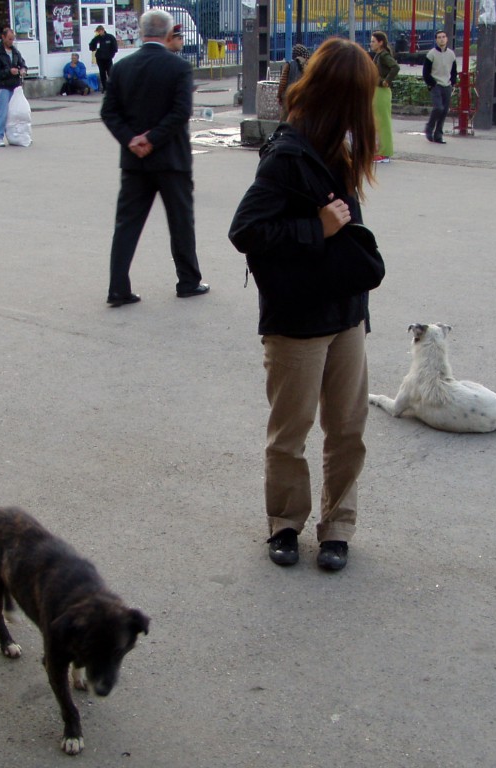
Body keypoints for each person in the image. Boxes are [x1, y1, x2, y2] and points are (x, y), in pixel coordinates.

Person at [228, 38, 378, 572]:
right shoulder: (288, 155)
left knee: (348, 429)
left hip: (345, 313)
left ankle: (337, 527)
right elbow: (245, 230)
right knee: (290, 433)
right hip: (296, 320)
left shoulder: (335, 148)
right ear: (343, 96)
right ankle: (285, 525)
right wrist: (315, 227)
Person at [99, 9, 209, 307]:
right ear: (169, 33)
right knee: (180, 222)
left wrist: (132, 140)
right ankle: (188, 281)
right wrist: (153, 138)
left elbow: (109, 112)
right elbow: (180, 112)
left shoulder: (122, 67)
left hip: (135, 162)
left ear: (140, 31)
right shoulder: (178, 68)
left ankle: (118, 289)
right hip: (171, 160)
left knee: (127, 225)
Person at [0, 27, 26, 147]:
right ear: (3, 37)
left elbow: (23, 63)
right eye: (10, 39)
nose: (11, 41)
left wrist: (23, 69)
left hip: (16, 86)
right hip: (4, 86)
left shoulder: (15, 52)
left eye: (13, 39)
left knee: (18, 113)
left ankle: (18, 136)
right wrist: (9, 71)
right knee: (3, 113)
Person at [369, 30, 400, 163]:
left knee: (383, 122)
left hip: (382, 90)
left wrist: (386, 81)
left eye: (373, 41)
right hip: (377, 90)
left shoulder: (383, 55)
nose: (371, 44)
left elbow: (395, 67)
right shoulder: (378, 55)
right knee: (378, 121)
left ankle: (385, 152)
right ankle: (379, 150)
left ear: (380, 43)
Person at [423, 30, 456, 143]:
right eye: (439, 37)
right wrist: (432, 83)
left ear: (446, 39)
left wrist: (453, 82)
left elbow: (454, 70)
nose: (442, 39)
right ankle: (429, 127)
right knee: (438, 108)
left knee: (445, 111)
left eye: (443, 37)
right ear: (436, 40)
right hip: (436, 84)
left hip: (447, 85)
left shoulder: (451, 54)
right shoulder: (431, 54)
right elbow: (425, 72)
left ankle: (438, 135)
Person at [276, 43, 309, 121]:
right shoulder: (309, 66)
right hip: (302, 99)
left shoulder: (289, 65)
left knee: (285, 120)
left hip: (288, 97)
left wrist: (280, 96)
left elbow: (283, 83)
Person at [88, 25, 117, 92]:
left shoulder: (110, 37)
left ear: (103, 30)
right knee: (102, 73)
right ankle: (104, 87)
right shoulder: (96, 38)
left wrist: (111, 55)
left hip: (108, 58)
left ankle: (112, 87)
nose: (99, 32)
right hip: (100, 58)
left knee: (110, 72)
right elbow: (91, 46)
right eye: (98, 31)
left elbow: (114, 47)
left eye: (100, 31)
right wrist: (93, 47)